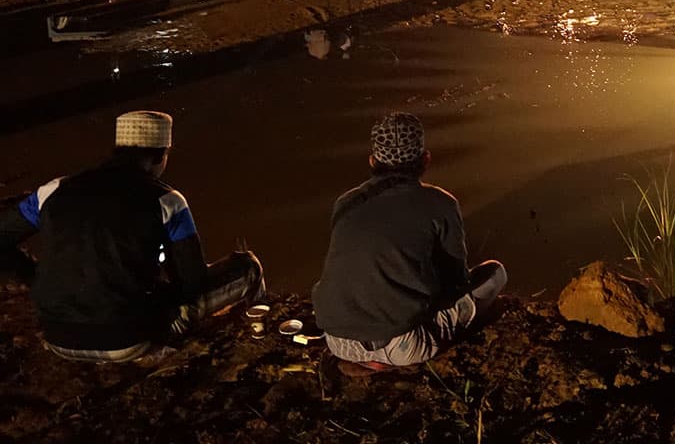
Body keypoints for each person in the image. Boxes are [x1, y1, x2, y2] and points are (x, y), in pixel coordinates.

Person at [0, 112, 264, 363]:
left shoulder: (52, 191)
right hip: (126, 340)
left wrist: (36, 278)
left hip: (57, 336)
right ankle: (259, 325)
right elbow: (192, 282)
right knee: (247, 267)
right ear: (161, 155)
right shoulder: (167, 201)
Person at [312, 113, 507, 371]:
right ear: (425, 159)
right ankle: (386, 360)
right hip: (404, 345)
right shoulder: (440, 203)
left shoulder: (346, 202)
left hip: (337, 341)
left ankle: (368, 359)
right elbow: (456, 281)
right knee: (494, 275)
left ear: (372, 161)